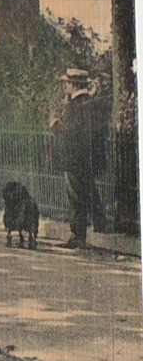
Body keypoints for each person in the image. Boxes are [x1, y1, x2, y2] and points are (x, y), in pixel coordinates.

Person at [51, 69, 110, 248]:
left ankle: (78, 236)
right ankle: (101, 224)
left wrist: (55, 124)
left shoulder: (72, 107)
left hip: (74, 159)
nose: (65, 86)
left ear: (73, 85)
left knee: (76, 196)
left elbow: (68, 134)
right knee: (89, 191)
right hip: (89, 158)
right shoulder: (92, 104)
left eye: (66, 83)